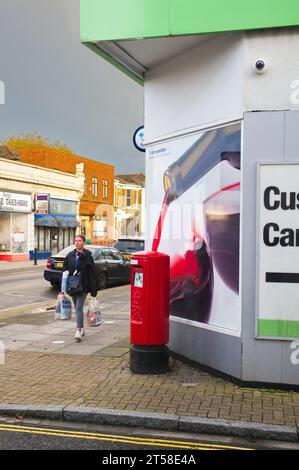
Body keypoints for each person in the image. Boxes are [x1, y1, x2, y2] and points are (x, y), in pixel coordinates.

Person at [63, 234, 98, 341]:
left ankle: (78, 330)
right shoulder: (70, 255)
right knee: (77, 309)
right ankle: (82, 328)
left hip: (83, 286)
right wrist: (63, 287)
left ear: (83, 243)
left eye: (79, 241)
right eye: (76, 241)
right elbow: (65, 271)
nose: (77, 242)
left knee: (78, 308)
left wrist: (93, 290)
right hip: (73, 286)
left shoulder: (88, 256)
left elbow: (92, 273)